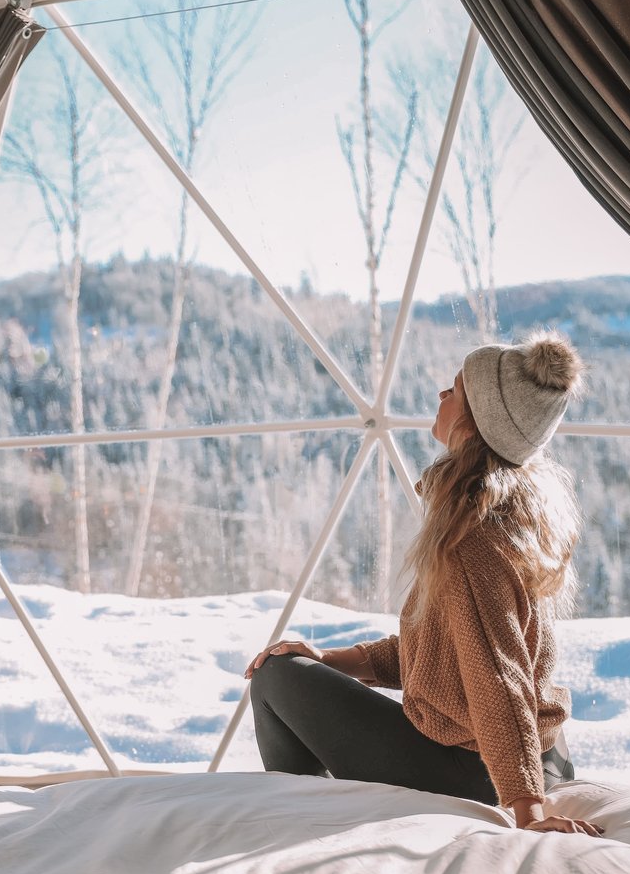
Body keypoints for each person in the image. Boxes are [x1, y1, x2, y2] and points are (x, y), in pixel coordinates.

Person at [245, 331, 603, 836]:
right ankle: (312, 811)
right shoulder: (504, 516)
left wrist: (530, 812)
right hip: (538, 756)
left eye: (455, 390)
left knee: (275, 676)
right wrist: (333, 662)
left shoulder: (474, 539)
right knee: (292, 667)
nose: (442, 395)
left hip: (480, 772)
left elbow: (497, 679)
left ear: (479, 421)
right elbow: (444, 655)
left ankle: (300, 828)